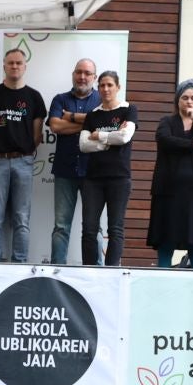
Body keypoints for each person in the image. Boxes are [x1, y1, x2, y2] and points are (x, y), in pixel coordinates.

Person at [0, 48, 46, 263]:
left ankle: (20, 263)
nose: (14, 66)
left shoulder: (34, 97)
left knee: (21, 218)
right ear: (4, 66)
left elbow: (36, 136)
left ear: (25, 66)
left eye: (18, 63)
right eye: (10, 63)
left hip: (24, 162)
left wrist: (22, 152)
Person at [148, 79, 193, 269]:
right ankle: (163, 278)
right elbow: (165, 140)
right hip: (169, 190)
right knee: (166, 238)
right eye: (185, 97)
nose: (189, 101)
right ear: (177, 101)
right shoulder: (167, 122)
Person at [73, 69, 137, 267]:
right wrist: (111, 140)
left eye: (110, 85)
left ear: (118, 87)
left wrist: (99, 136)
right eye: (102, 85)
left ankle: (111, 271)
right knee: (89, 229)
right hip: (93, 178)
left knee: (115, 228)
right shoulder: (93, 115)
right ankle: (90, 270)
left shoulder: (129, 110)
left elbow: (125, 137)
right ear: (97, 88)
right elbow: (84, 145)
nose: (105, 88)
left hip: (119, 178)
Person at [45, 59, 100, 265]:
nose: (82, 77)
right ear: (73, 74)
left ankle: (97, 270)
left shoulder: (101, 100)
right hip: (64, 170)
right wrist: (88, 124)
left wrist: (72, 118)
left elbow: (103, 125)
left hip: (93, 173)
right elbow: (56, 126)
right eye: (79, 72)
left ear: (94, 77)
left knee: (94, 227)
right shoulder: (60, 99)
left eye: (87, 73)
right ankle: (57, 270)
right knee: (61, 225)